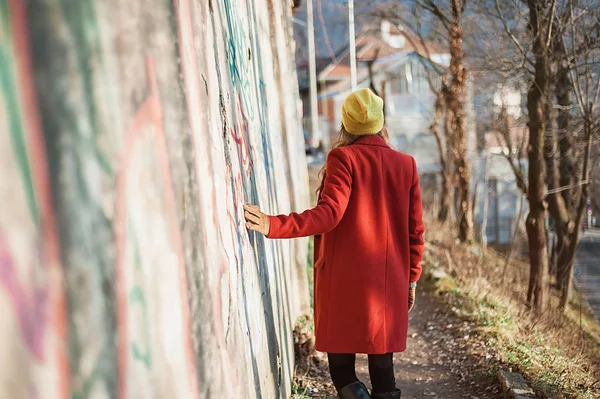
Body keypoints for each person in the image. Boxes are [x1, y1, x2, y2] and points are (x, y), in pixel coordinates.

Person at [244, 88, 425, 399]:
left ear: (347, 124)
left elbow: (329, 215)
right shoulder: (406, 163)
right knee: (383, 368)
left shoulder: (343, 157)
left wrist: (273, 224)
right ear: (380, 123)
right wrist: (410, 280)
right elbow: (415, 231)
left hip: (346, 281)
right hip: (389, 281)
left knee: (342, 370)